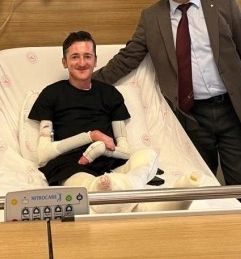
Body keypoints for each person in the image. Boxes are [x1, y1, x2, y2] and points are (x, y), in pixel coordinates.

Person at [94, 0, 241, 206]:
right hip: (189, 117)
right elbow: (128, 57)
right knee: (198, 188)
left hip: (233, 110)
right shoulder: (152, 17)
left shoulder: (224, 4)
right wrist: (87, 82)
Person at [29, 31, 198, 214]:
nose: (82, 63)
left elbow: (123, 149)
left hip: (110, 164)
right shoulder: (51, 94)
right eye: (75, 57)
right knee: (86, 185)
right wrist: (91, 136)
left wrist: (99, 149)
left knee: (148, 156)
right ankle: (146, 204)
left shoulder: (110, 94)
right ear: (64, 62)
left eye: (87, 56)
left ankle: (119, 187)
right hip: (70, 166)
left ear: (95, 60)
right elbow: (44, 154)